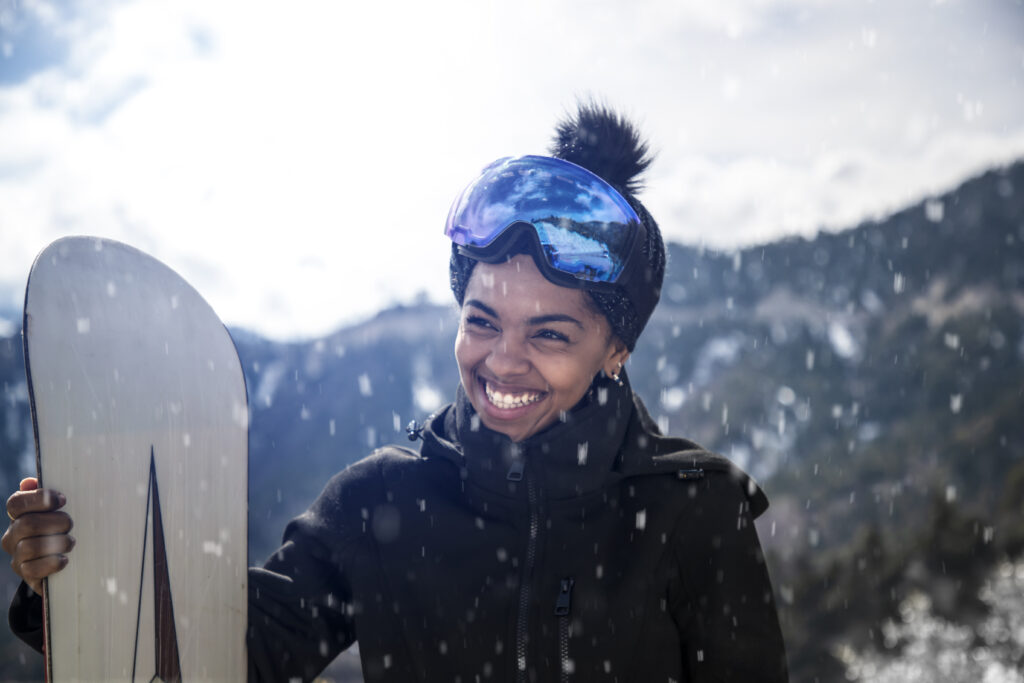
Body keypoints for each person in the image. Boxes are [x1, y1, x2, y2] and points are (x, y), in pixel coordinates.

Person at [5, 103, 788, 682]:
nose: (503, 361)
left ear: (616, 348)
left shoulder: (696, 511)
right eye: (482, 321)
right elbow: (233, 658)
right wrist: (76, 580)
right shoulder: (384, 497)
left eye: (550, 334)